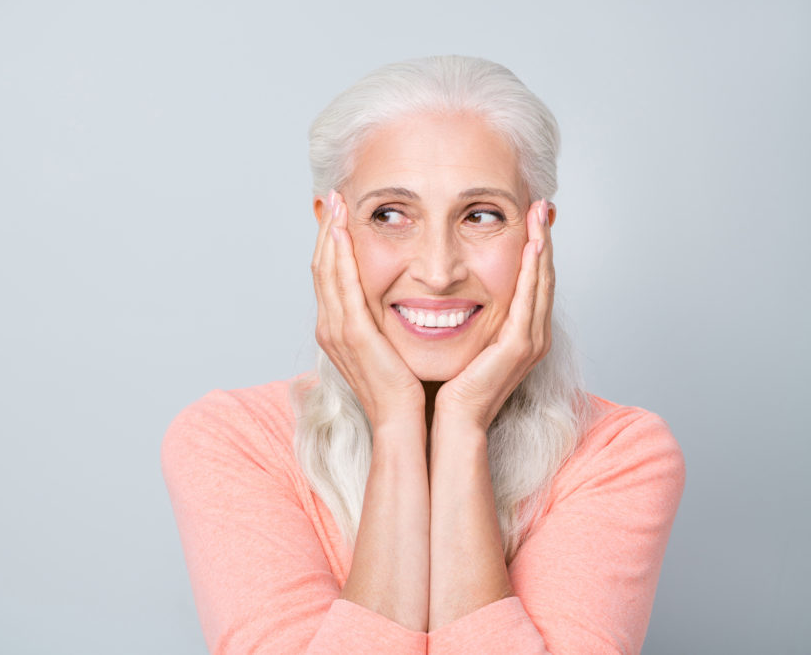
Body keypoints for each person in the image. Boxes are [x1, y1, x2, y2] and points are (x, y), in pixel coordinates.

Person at [162, 56, 685, 654]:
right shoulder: (232, 441)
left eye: (481, 215)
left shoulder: (621, 454)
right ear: (329, 229)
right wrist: (396, 421)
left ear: (539, 234)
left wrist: (462, 429)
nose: (438, 271)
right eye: (390, 214)